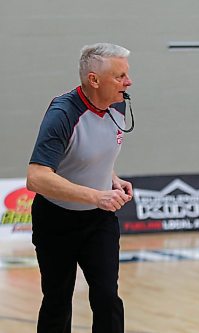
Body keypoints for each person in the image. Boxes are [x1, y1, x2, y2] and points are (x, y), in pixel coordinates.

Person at [26, 43, 133, 333]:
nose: (128, 81)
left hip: (98, 221)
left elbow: (91, 148)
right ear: (93, 80)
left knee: (107, 297)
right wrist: (97, 195)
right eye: (120, 75)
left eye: (127, 74)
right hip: (56, 220)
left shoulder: (118, 104)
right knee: (58, 300)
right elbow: (36, 177)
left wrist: (111, 177)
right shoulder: (62, 112)